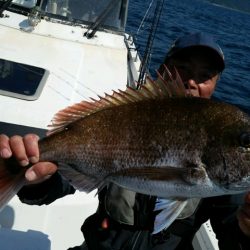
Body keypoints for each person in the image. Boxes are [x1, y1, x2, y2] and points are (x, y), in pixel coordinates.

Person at [0, 32, 250, 250]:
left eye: (205, 76)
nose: (192, 81)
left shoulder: (225, 165)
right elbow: (55, 187)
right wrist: (37, 181)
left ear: (215, 84)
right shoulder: (129, 115)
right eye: (183, 68)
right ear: (163, 70)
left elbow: (231, 238)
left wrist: (246, 230)